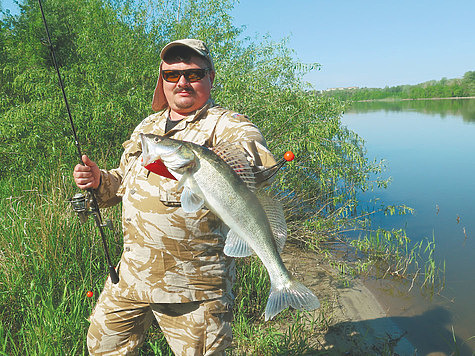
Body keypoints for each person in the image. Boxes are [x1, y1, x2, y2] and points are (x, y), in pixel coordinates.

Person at [73, 39, 276, 355]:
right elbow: (124, 181)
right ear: (162, 80)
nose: (182, 82)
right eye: (172, 75)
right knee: (103, 347)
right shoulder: (148, 126)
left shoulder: (225, 123)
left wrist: (230, 163)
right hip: (131, 276)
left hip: (192, 286)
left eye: (193, 74)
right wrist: (100, 181)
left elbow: (257, 161)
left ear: (210, 77)